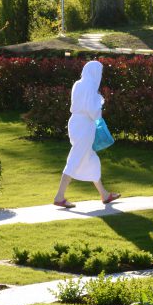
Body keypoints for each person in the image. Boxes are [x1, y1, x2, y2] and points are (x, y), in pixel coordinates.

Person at [53, 60, 120, 208]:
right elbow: (93, 110)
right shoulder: (91, 86)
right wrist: (100, 107)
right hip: (85, 125)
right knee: (75, 158)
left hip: (75, 122)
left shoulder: (78, 84)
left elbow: (80, 103)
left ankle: (104, 194)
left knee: (91, 158)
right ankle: (59, 196)